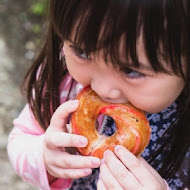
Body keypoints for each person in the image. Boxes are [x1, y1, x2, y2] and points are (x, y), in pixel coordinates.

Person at [7, 0, 190, 189]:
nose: (101, 89)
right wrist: (44, 158)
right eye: (82, 52)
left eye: (130, 71)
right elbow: (19, 140)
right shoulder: (64, 81)